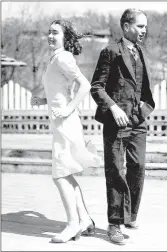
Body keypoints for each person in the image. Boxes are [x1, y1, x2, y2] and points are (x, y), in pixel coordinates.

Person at [31, 19, 101, 243]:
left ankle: (72, 225)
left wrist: (68, 109)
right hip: (60, 123)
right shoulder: (55, 59)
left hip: (67, 123)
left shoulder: (63, 58)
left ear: (65, 37)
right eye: (49, 32)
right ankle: (85, 220)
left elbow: (85, 85)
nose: (51, 36)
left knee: (59, 175)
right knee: (65, 172)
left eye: (55, 33)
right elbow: (61, 91)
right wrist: (43, 100)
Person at [91, 8, 155, 245]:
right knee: (116, 171)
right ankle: (114, 223)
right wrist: (114, 108)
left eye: (145, 27)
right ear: (126, 26)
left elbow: (143, 86)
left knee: (138, 167)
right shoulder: (110, 51)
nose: (144, 31)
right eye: (140, 26)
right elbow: (96, 87)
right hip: (116, 122)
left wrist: (143, 107)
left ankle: (130, 215)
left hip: (138, 121)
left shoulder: (140, 51)